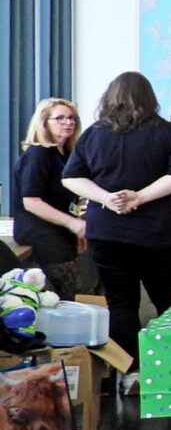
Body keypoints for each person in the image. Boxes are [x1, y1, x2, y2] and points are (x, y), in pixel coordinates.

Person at [61, 72, 171, 364]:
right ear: (150, 98)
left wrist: (106, 198)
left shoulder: (94, 133)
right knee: (169, 301)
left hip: (107, 233)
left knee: (121, 303)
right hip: (156, 234)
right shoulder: (166, 132)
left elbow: (71, 177)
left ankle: (130, 371)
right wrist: (140, 197)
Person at [13, 98, 89, 298]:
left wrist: (77, 227)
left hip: (62, 234)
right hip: (41, 235)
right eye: (60, 118)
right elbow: (31, 201)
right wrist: (73, 224)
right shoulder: (39, 154)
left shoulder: (67, 154)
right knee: (60, 298)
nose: (68, 122)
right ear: (44, 122)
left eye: (72, 118)